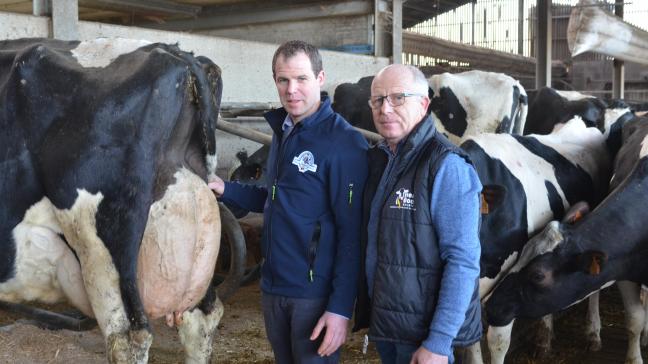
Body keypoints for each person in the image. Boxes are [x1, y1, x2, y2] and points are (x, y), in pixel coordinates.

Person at [208, 40, 368, 363]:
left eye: (301, 79)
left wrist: (339, 308)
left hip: (313, 294)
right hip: (273, 287)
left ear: (320, 79)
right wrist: (225, 187)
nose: (291, 89)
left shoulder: (344, 143)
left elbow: (352, 234)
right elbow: (276, 198)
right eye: (283, 80)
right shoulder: (284, 131)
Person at [353, 64, 482, 364]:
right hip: (389, 326)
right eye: (378, 100)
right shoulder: (380, 159)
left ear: (423, 104)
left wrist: (439, 342)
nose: (385, 109)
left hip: (423, 337)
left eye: (398, 98)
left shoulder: (447, 166)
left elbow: (462, 261)